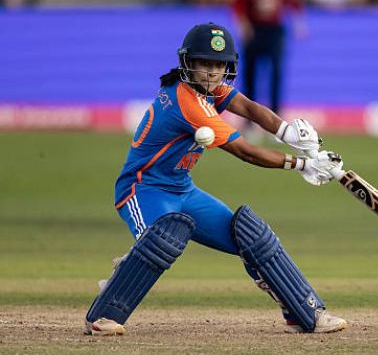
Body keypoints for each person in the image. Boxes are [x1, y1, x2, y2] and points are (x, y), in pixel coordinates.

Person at [83, 22, 347, 336]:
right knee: (159, 241)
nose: (212, 72)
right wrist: (302, 164)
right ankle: (104, 313)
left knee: (250, 238)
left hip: (183, 189)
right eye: (204, 64)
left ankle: (302, 312)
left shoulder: (211, 89)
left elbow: (249, 108)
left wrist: (287, 132)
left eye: (219, 65)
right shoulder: (187, 102)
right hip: (143, 189)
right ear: (188, 64)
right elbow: (246, 152)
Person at [233, 0, 304, 119]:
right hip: (254, 29)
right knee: (250, 71)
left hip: (274, 30)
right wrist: (243, 25)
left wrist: (298, 22)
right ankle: (249, 116)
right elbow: (238, 4)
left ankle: (276, 115)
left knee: (276, 71)